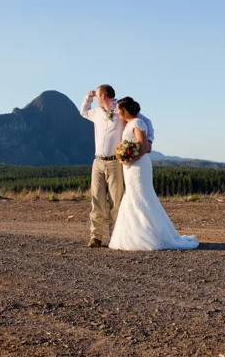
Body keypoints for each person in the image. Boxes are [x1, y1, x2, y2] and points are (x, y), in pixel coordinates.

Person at [108, 97, 199, 251]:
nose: (116, 112)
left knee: (141, 196)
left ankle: (150, 235)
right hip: (130, 166)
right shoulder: (129, 124)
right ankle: (135, 234)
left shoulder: (138, 123)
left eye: (118, 109)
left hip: (138, 165)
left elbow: (144, 147)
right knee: (132, 195)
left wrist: (128, 159)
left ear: (124, 111)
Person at [80, 85, 155, 248]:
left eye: (97, 94)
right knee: (96, 200)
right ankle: (95, 236)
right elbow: (83, 111)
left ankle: (115, 235)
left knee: (116, 200)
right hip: (97, 161)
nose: (96, 97)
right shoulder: (96, 113)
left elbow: (144, 121)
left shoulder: (120, 109)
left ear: (103, 96)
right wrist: (88, 97)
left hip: (115, 162)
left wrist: (148, 141)